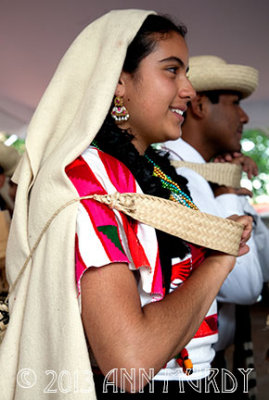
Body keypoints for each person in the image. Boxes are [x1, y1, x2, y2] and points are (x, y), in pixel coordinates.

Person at [0, 11, 252, 400]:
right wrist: (220, 260)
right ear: (118, 82)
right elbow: (129, 365)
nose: (188, 89)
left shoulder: (155, 172)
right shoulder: (89, 180)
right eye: (172, 71)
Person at [162, 55, 269, 395]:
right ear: (199, 106)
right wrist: (225, 195)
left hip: (213, 361)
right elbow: (246, 286)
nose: (244, 116)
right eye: (234, 103)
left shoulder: (205, 172)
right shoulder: (178, 175)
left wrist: (232, 191)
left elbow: (263, 269)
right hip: (185, 374)